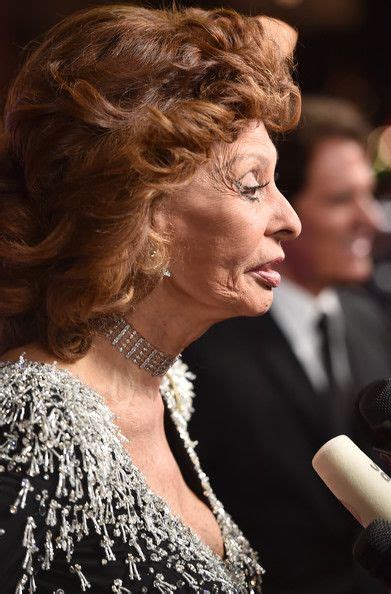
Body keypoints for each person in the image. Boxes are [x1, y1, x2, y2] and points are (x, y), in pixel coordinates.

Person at [0, 5, 302, 593]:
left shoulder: (168, 388)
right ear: (140, 210)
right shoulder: (23, 424)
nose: (288, 219)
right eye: (251, 185)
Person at [183, 97, 391, 594]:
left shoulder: (369, 317)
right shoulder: (207, 342)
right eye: (342, 200)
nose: (371, 220)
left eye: (370, 195)